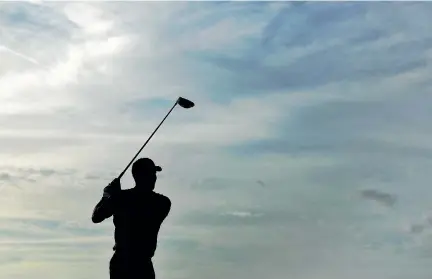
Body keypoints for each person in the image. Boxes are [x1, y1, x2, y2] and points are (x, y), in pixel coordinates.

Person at [91, 157, 171, 279]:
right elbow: (96, 218)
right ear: (138, 176)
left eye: (153, 174)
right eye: (150, 174)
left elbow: (96, 216)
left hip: (124, 263)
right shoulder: (162, 202)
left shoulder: (120, 198)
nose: (154, 177)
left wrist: (107, 195)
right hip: (141, 264)